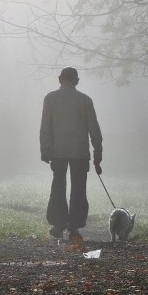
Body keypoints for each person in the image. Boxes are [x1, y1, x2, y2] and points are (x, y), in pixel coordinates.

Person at [40, 67, 103, 242]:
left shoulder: (50, 98)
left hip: (58, 152)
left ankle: (58, 224)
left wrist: (45, 149)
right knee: (78, 189)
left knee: (58, 186)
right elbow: (94, 129)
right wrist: (97, 153)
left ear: (60, 79)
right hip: (80, 153)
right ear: (76, 81)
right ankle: (74, 227)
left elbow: (45, 127)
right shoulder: (85, 100)